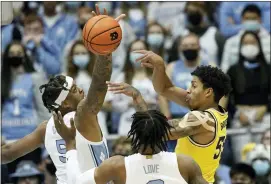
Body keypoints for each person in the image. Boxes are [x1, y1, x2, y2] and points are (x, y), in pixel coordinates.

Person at [1, 5, 125, 184]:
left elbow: (7, 154)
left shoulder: (45, 128)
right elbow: (99, 84)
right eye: (74, 90)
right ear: (65, 104)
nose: (81, 90)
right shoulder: (82, 116)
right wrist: (105, 49)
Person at [132, 50, 232, 183]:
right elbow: (165, 89)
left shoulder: (201, 119)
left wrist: (140, 104)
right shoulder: (216, 111)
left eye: (194, 85)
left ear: (208, 92)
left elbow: (157, 132)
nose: (189, 90)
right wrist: (160, 67)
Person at [73, 108, 208, 183]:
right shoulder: (185, 163)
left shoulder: (116, 166)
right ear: (164, 134)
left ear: (134, 134)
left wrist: (69, 147)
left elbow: (76, 182)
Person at [225, 31, 270, 162]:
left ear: (259, 45)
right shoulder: (233, 70)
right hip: (240, 118)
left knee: (265, 157)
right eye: (245, 43)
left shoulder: (268, 69)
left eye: (252, 43)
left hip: (264, 118)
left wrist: (266, 108)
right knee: (242, 159)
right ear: (240, 46)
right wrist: (238, 114)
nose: (249, 46)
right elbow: (226, 98)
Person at [221, 4, 270, 73]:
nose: (250, 21)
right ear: (242, 20)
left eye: (254, 18)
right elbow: (224, 68)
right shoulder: (231, 42)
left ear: (260, 19)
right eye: (247, 18)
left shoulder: (269, 41)